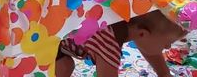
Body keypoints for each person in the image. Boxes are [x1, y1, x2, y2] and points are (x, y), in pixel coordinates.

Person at [55, 10, 187, 77]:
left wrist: (164, 73)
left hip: (63, 29)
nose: (168, 47)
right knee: (65, 66)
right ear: (142, 34)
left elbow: (149, 49)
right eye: (168, 43)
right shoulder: (109, 42)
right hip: (52, 45)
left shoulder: (127, 22)